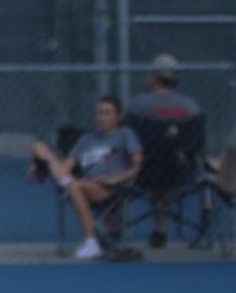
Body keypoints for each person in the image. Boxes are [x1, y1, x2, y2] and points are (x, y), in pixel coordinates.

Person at [29, 95, 143, 259]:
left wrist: (114, 179)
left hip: (108, 187)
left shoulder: (125, 135)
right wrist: (40, 162)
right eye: (99, 113)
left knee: (73, 185)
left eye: (107, 113)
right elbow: (67, 166)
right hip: (83, 184)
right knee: (38, 146)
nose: (101, 117)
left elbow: (136, 166)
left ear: (118, 117)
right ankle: (66, 183)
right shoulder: (87, 139)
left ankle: (91, 242)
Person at [125, 53, 203, 247]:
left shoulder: (137, 106)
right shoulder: (191, 107)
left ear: (154, 77)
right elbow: (198, 141)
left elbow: (127, 138)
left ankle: (147, 229)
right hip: (181, 171)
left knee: (155, 173)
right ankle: (161, 229)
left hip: (143, 171)